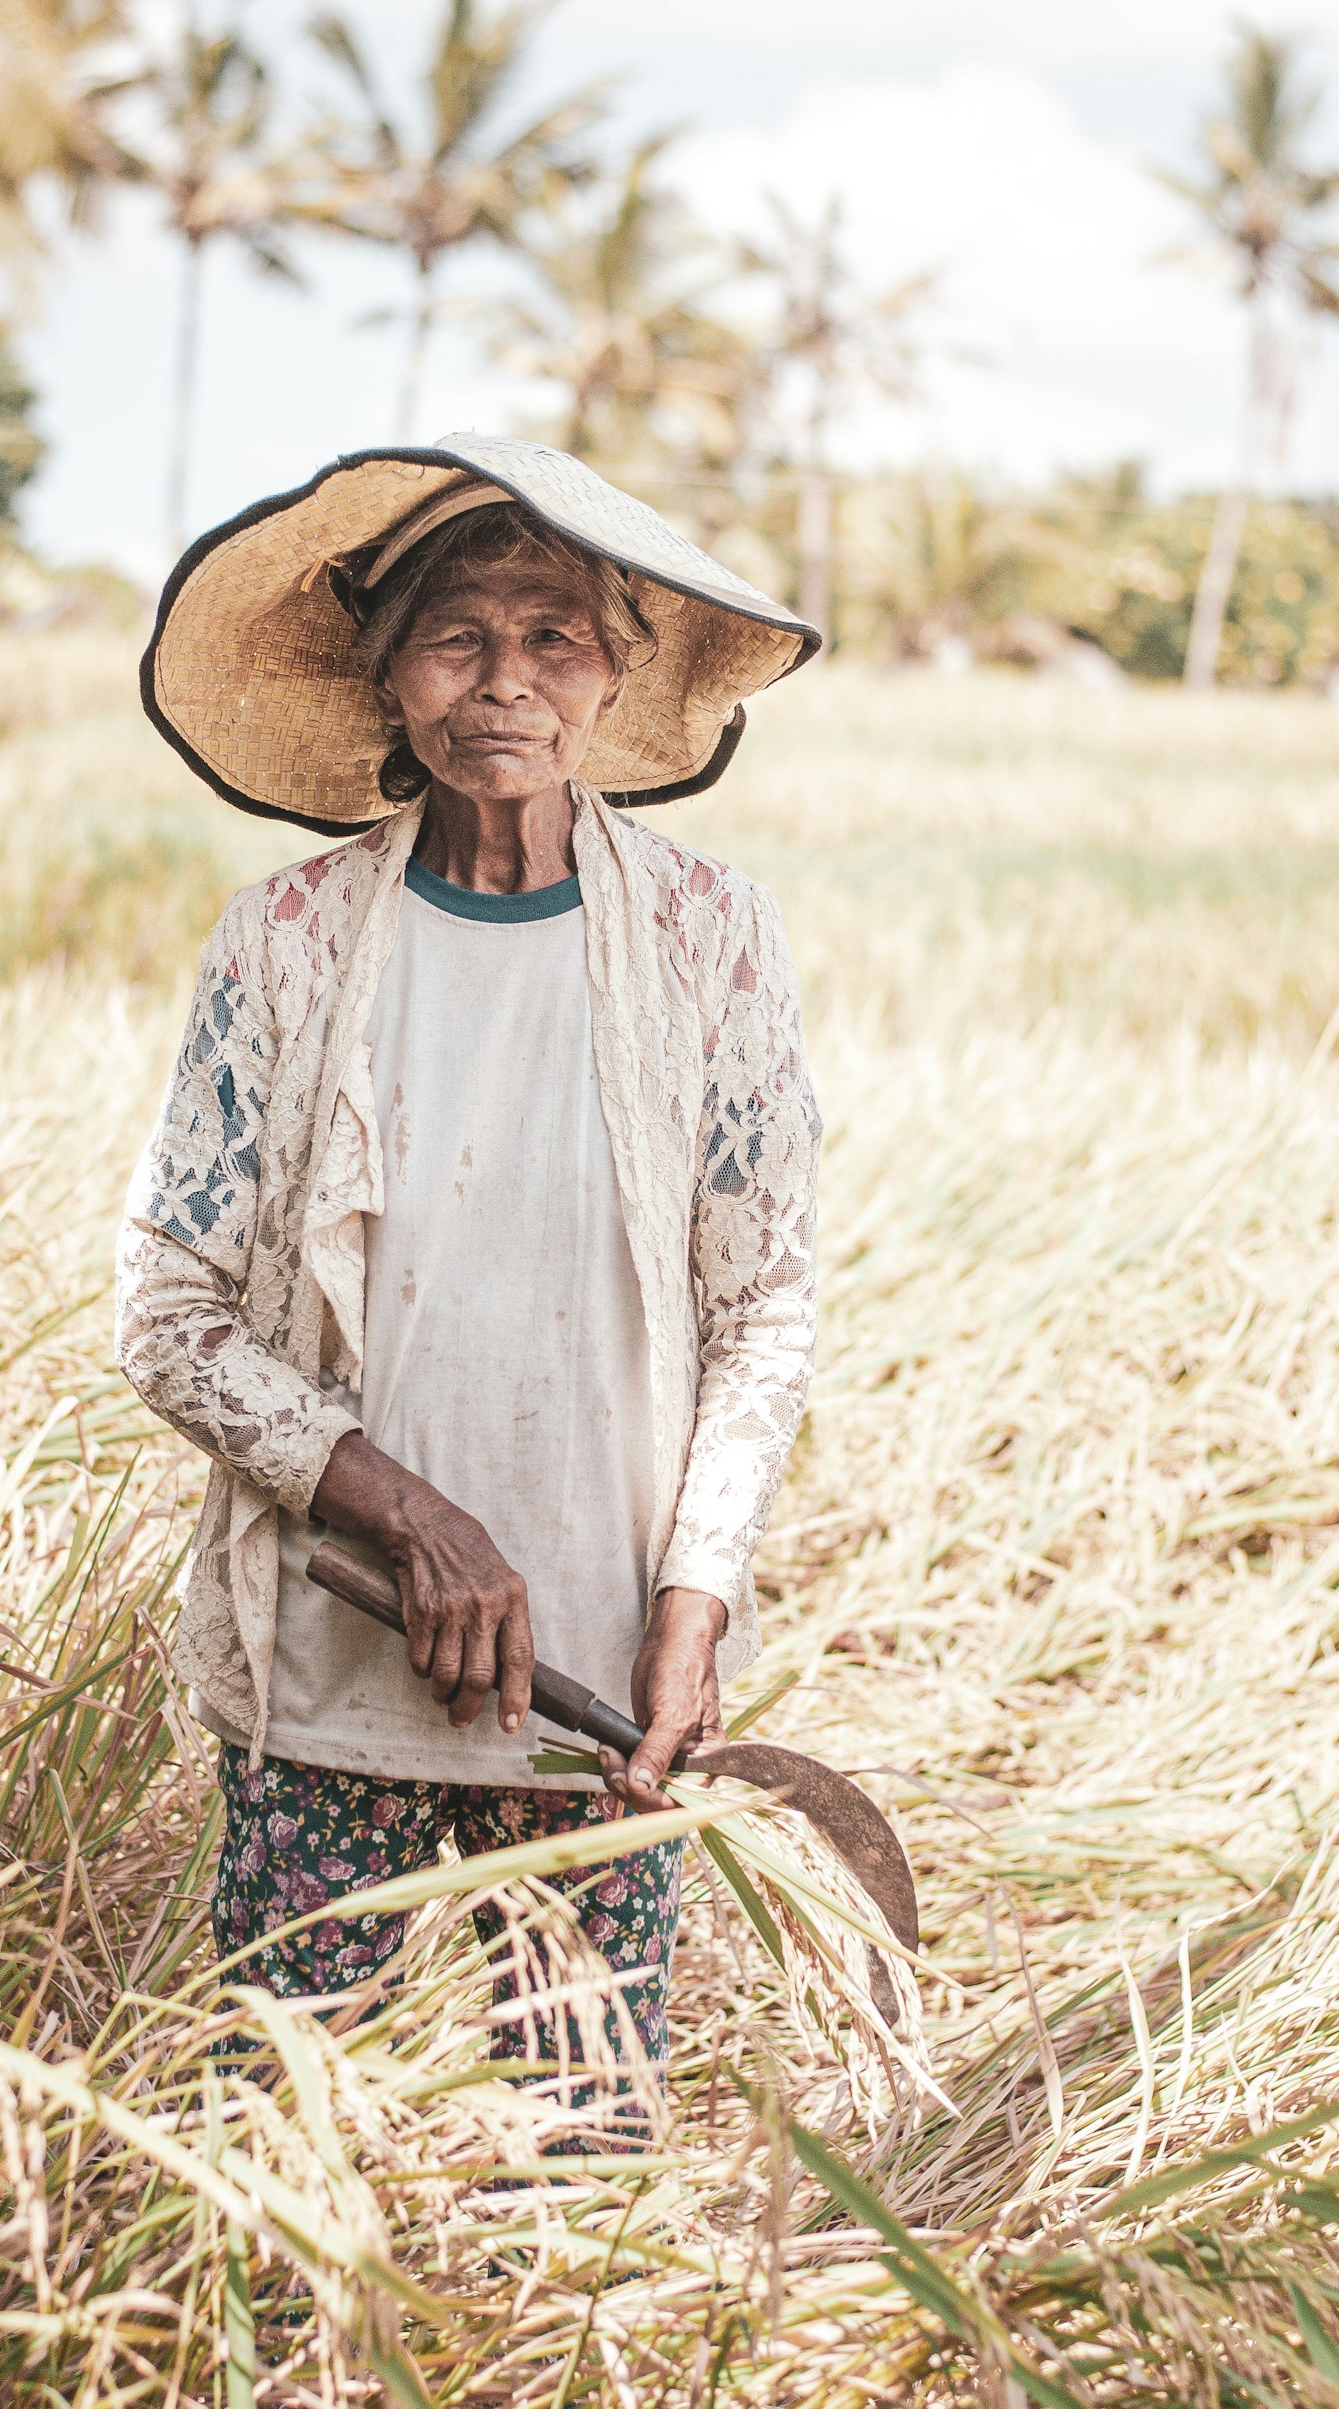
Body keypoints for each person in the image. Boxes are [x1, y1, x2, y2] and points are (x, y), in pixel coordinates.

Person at [117, 434, 822, 2081]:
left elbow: (763, 1300)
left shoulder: (715, 939)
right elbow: (166, 1312)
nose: (505, 680)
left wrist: (693, 1601)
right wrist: (412, 1513)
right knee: (284, 2133)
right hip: (332, 1654)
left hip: (600, 1687)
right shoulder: (284, 944)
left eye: (553, 636)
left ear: (615, 675)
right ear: (388, 676)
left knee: (576, 2161)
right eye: (456, 636)